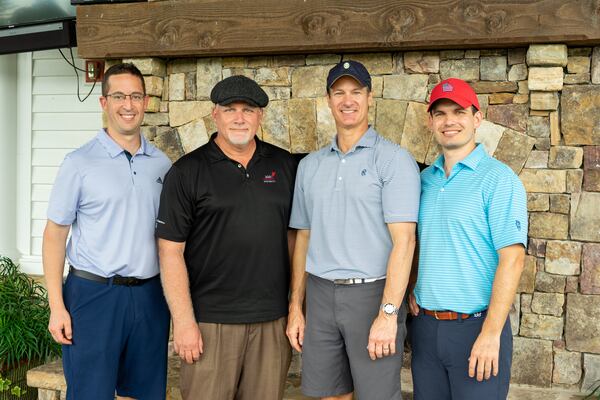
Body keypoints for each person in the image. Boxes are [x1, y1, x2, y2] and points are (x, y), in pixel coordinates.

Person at [156, 75, 297, 400]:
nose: (239, 118)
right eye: (230, 109)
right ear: (214, 114)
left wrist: (295, 305)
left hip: (271, 322)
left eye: (248, 110)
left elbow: (295, 238)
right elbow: (169, 252)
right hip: (210, 324)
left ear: (260, 116)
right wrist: (184, 322)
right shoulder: (187, 172)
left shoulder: (284, 165)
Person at [286, 60, 421, 400]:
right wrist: (295, 306)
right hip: (319, 295)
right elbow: (303, 237)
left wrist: (389, 313)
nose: (348, 100)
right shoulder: (309, 166)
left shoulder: (393, 159)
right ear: (329, 100)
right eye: (339, 92)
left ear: (370, 97)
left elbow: (404, 241)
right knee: (328, 394)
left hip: (372, 294)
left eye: (356, 92)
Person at [43, 63, 172, 400]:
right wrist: (56, 306)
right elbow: (54, 235)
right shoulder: (79, 163)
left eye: (135, 96)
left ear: (145, 102)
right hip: (93, 295)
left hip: (149, 296)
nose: (127, 105)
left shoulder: (162, 164)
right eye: (118, 96)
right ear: (104, 103)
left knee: (144, 393)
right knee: (90, 393)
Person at [408, 78, 527, 400]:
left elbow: (513, 258)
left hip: (476, 327)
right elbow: (415, 241)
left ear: (477, 118)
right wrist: (412, 283)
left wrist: (491, 334)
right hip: (425, 327)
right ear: (430, 121)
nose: (450, 121)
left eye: (459, 112)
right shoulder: (422, 181)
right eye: (441, 113)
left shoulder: (499, 179)